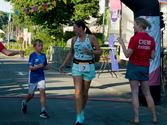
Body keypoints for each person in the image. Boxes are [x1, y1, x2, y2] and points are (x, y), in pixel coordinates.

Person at [59, 20, 102, 125]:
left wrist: (91, 51)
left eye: (75, 28)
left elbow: (99, 51)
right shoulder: (74, 39)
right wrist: (64, 64)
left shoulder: (91, 38)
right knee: (78, 92)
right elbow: (71, 52)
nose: (73, 30)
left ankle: (82, 111)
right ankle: (78, 117)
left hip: (89, 66)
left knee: (84, 92)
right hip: (77, 66)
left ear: (81, 28)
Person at [118, 17, 157, 124]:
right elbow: (153, 56)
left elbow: (127, 54)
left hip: (134, 67)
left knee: (135, 93)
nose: (133, 26)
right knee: (147, 93)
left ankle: (136, 118)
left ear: (139, 25)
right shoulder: (151, 39)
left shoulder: (134, 38)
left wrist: (121, 43)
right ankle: (154, 117)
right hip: (144, 67)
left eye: (134, 24)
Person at [21, 39, 49, 119]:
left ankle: (43, 111)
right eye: (39, 45)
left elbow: (45, 66)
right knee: (31, 94)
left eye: (42, 45)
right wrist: (38, 66)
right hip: (33, 77)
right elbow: (30, 68)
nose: (41, 47)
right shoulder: (32, 56)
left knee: (42, 92)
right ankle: (24, 102)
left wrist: (46, 67)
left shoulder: (43, 56)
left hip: (41, 77)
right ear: (34, 47)